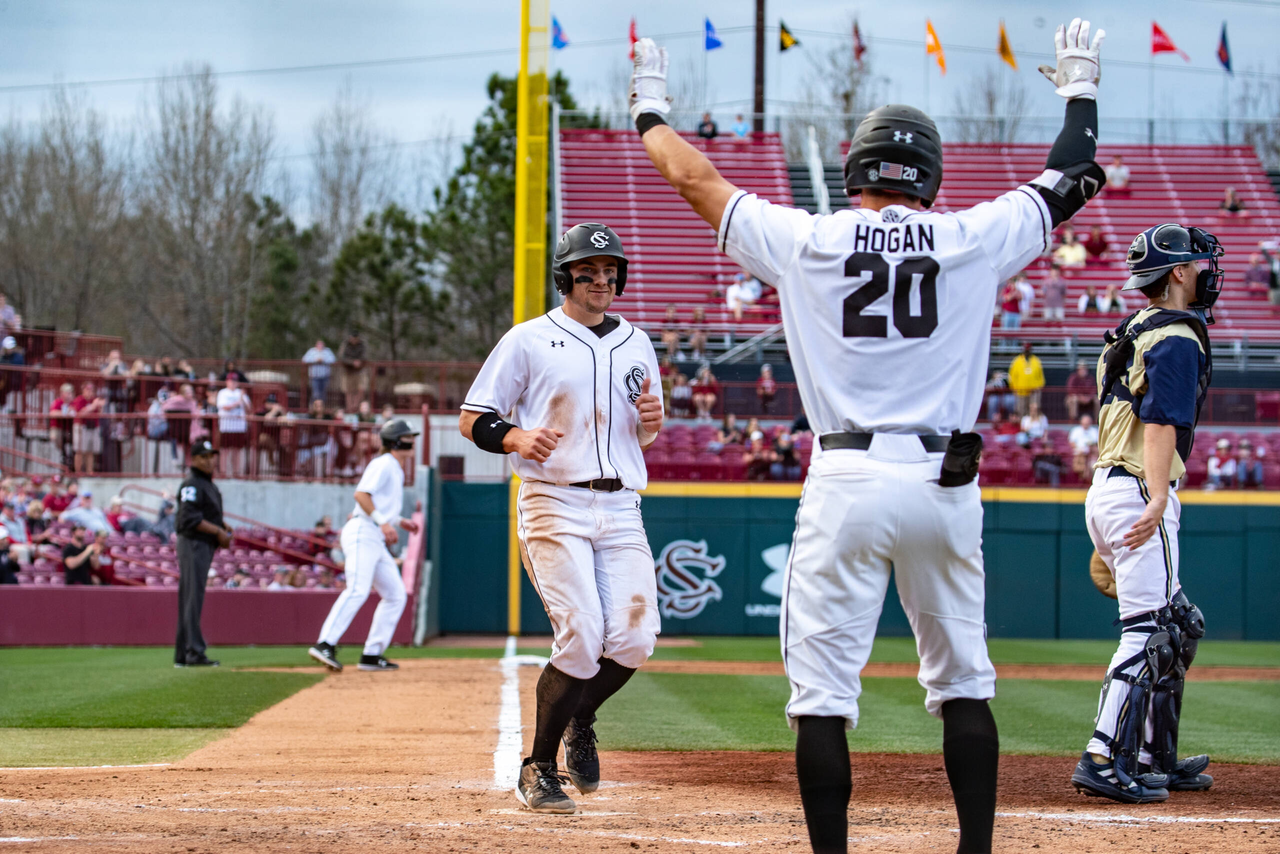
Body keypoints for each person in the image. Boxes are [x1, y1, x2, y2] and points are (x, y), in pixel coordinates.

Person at [632, 18, 1109, 851]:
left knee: (821, 697)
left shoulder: (808, 239)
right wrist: (1079, 91)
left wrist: (648, 109)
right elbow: (1072, 175)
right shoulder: (968, 238)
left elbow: (694, 179)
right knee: (964, 685)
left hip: (846, 475)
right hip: (943, 481)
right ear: (928, 173)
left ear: (855, 166)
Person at [458, 222, 664, 814]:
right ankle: (538, 768)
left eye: (608, 272)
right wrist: (517, 436)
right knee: (581, 637)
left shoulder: (637, 342)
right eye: (587, 272)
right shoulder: (528, 339)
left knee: (634, 638)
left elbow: (644, 432)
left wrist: (652, 419)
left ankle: (582, 717)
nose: (600, 280)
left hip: (621, 502)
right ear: (566, 277)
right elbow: (474, 418)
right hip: (554, 500)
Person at [1073, 221, 1223, 803]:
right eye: (1199, 265)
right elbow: (1162, 420)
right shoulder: (1178, 337)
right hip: (1138, 486)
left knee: (1180, 625)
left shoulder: (1136, 326)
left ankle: (1153, 756)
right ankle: (1102, 757)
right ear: (1179, 272)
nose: (1207, 274)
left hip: (1114, 486)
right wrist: (1157, 496)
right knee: (1151, 631)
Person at [174, 439, 233, 668]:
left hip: (201, 544)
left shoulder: (206, 484)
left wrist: (222, 524)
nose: (210, 461)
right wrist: (217, 530)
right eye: (205, 457)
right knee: (192, 598)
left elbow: (204, 513)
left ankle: (183, 654)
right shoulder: (192, 483)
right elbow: (189, 517)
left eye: (212, 456)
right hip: (194, 543)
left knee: (190, 597)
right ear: (194, 459)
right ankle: (194, 653)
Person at [215, 376, 251, 478]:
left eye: (235, 381)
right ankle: (223, 472)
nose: (233, 383)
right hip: (226, 427)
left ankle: (236, 472)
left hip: (239, 427)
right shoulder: (223, 392)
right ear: (227, 382)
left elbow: (249, 409)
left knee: (237, 451)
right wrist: (237, 402)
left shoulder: (241, 393)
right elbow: (225, 407)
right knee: (224, 450)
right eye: (231, 381)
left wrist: (243, 399)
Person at [71, 381, 106, 474]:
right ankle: (78, 472)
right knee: (80, 451)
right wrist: (94, 405)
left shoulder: (94, 399)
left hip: (93, 426)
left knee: (91, 451)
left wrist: (100, 406)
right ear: (83, 390)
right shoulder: (79, 400)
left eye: (91, 390)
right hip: (82, 426)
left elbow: (100, 415)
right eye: (87, 390)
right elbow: (80, 413)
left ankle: (90, 471)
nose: (90, 392)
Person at [1008, 342, 1045, 416]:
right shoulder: (1016, 361)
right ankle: (1022, 426)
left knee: (1034, 410)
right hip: (1020, 391)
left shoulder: (1036, 361)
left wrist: (1039, 386)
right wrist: (1013, 387)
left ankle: (1033, 426)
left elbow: (1041, 376)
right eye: (1025, 349)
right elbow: (1011, 376)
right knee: (1021, 410)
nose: (1027, 351)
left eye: (1028, 349)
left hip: (1033, 391)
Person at [339, 329, 369, 411]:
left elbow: (365, 356)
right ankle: (350, 408)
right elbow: (342, 357)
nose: (354, 340)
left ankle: (357, 407)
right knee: (348, 391)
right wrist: (352, 362)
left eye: (356, 338)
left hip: (360, 370)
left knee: (361, 389)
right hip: (348, 371)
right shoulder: (345, 344)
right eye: (353, 338)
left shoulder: (362, 344)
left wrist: (360, 362)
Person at [303, 339, 336, 405]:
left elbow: (333, 359)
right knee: (315, 393)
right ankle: (313, 408)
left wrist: (324, 360)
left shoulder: (327, 351)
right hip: (314, 376)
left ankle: (322, 408)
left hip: (325, 376)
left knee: (323, 393)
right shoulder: (312, 351)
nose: (320, 346)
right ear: (316, 345)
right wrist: (315, 360)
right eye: (319, 344)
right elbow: (304, 359)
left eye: (321, 345)